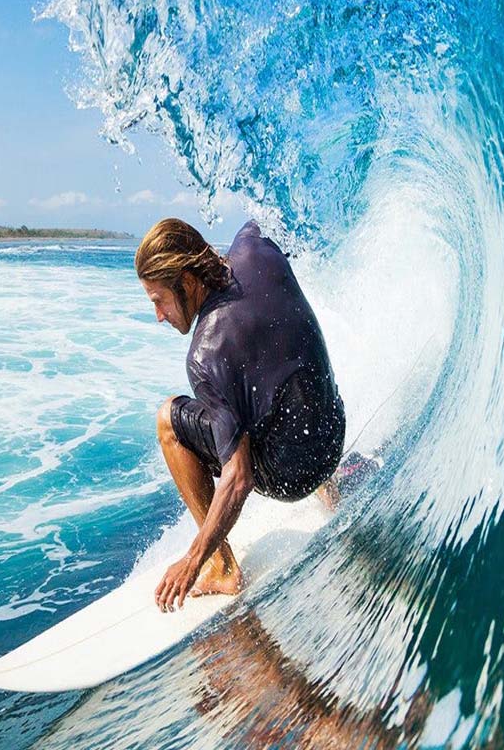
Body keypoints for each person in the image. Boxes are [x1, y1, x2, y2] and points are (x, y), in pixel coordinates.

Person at [136, 218, 346, 613]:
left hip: (294, 477)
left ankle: (223, 567)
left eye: (158, 299)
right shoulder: (255, 245)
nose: (159, 315)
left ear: (186, 280)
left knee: (168, 419)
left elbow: (239, 477)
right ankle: (333, 491)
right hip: (333, 433)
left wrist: (191, 560)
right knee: (273, 365)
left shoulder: (205, 354)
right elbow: (277, 217)